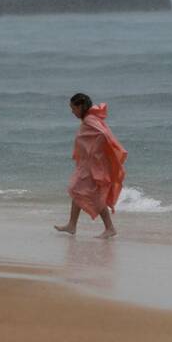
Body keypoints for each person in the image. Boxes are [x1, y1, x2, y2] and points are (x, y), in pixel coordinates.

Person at [54, 93, 127, 239]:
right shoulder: (90, 119)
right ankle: (72, 225)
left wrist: (94, 151)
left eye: (73, 108)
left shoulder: (89, 120)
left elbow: (103, 134)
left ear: (80, 106)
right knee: (77, 190)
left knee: (90, 194)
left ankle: (110, 228)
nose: (72, 112)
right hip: (88, 165)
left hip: (94, 166)